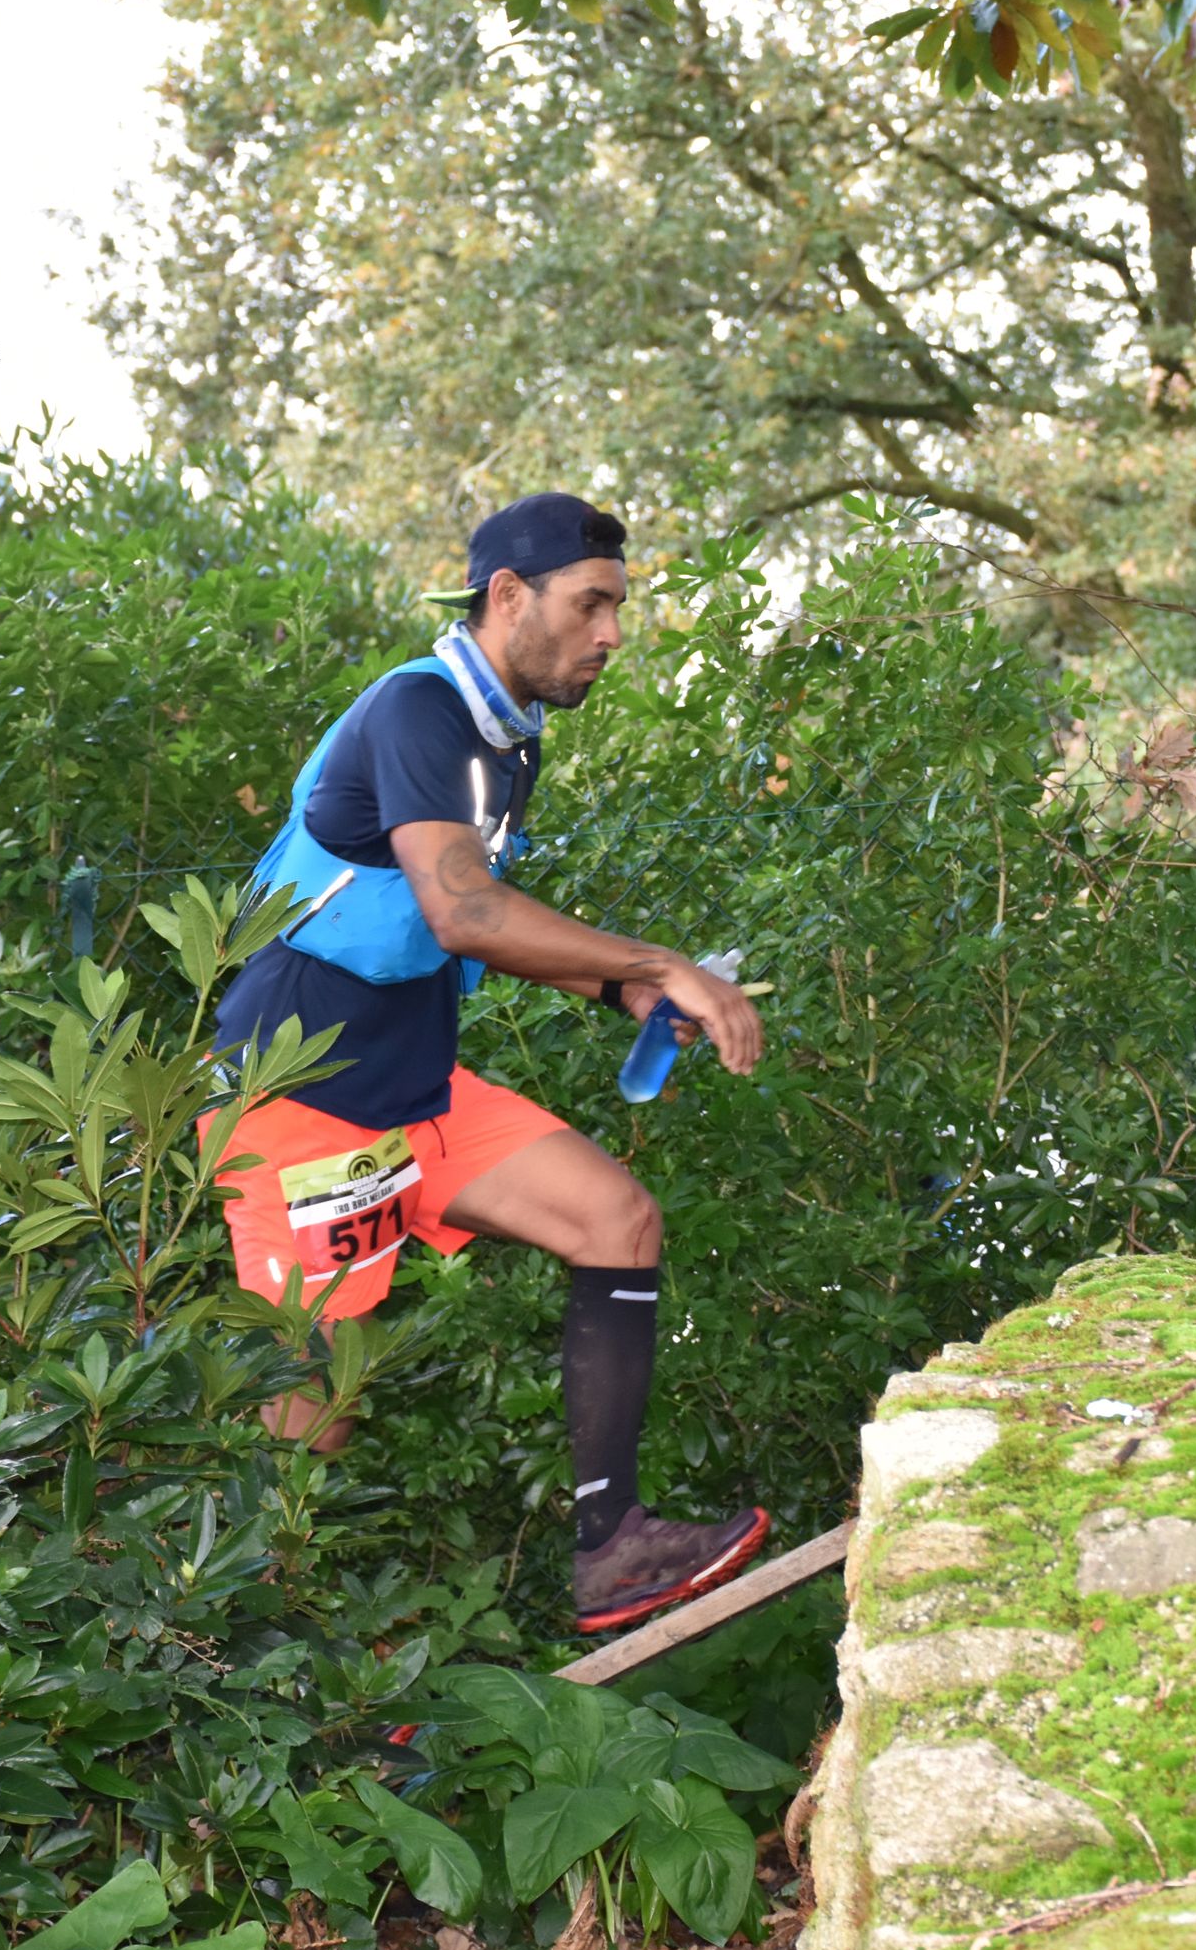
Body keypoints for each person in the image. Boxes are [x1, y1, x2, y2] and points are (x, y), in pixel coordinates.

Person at [201, 492, 771, 1634]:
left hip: (416, 1088)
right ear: (509, 596)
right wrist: (658, 959)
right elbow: (463, 910)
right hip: (303, 1102)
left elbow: (463, 927)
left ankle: (613, 1547)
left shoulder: (504, 737)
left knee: (615, 1218)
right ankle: (254, 1668)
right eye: (592, 604)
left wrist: (624, 989)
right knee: (318, 1408)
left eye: (618, 606)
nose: (613, 632)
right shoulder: (419, 709)